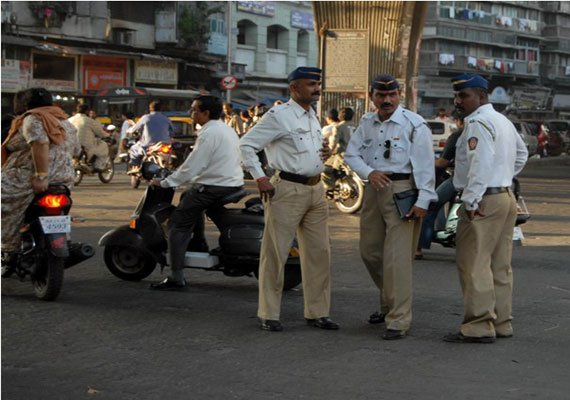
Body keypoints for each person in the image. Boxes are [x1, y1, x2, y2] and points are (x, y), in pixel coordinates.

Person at [240, 66, 339, 332]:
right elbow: (246, 144)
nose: (316, 89)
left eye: (317, 84)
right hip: (287, 189)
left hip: (316, 190)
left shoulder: (312, 114)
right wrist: (259, 177)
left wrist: (324, 152)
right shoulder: (279, 115)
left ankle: (318, 312)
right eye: (310, 84)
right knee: (275, 253)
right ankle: (268, 313)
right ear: (294, 88)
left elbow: (306, 150)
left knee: (319, 254)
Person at [344, 74, 437, 340]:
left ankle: (398, 319)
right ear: (371, 95)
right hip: (375, 188)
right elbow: (352, 154)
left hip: (402, 191)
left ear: (399, 96)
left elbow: (425, 166)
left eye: (392, 95)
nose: (387, 100)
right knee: (370, 252)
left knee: (397, 260)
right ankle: (389, 302)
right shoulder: (367, 122)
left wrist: (423, 201)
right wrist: (368, 172)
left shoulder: (414, 124)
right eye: (381, 95)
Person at [443, 74, 528, 344]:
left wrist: (471, 200)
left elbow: (479, 163)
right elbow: (522, 154)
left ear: (481, 96)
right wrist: (503, 177)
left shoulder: (479, 122)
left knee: (474, 264)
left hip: (484, 200)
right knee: (500, 265)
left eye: (464, 95)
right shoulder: (502, 120)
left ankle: (479, 325)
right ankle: (502, 322)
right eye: (457, 96)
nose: (458, 101)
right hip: (504, 196)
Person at [149, 95, 244, 290]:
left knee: (177, 224)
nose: (190, 113)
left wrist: (166, 182)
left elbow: (193, 165)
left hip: (214, 187)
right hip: (230, 183)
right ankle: (199, 243)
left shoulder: (208, 133)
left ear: (205, 113)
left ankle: (176, 277)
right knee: (188, 197)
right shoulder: (225, 129)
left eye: (194, 110)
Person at [1, 88, 80, 258]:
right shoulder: (66, 123)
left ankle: (8, 245)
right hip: (64, 179)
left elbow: (40, 143)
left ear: (25, 104)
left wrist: (41, 176)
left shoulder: (33, 119)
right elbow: (76, 150)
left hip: (30, 178)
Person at [415, 116, 464, 259]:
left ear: (459, 121)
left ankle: (418, 247)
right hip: (488, 182)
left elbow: (442, 162)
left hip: (459, 180)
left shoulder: (458, 135)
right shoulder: (491, 133)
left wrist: (427, 163)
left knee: (429, 204)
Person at [127, 101, 174, 173]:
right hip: (164, 144)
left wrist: (130, 131)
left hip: (147, 145)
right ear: (161, 109)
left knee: (133, 149)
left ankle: (135, 166)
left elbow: (135, 129)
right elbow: (172, 131)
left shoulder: (146, 118)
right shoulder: (166, 119)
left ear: (150, 109)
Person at [68, 104, 110, 171]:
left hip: (70, 146)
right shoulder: (89, 121)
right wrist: (108, 135)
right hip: (86, 148)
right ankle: (98, 166)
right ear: (87, 111)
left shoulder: (69, 120)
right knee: (104, 145)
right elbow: (100, 133)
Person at [322, 107, 355, 191]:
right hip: (354, 155)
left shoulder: (338, 127)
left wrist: (329, 152)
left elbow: (333, 144)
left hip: (342, 156)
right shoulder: (354, 127)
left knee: (324, 168)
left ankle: (330, 188)